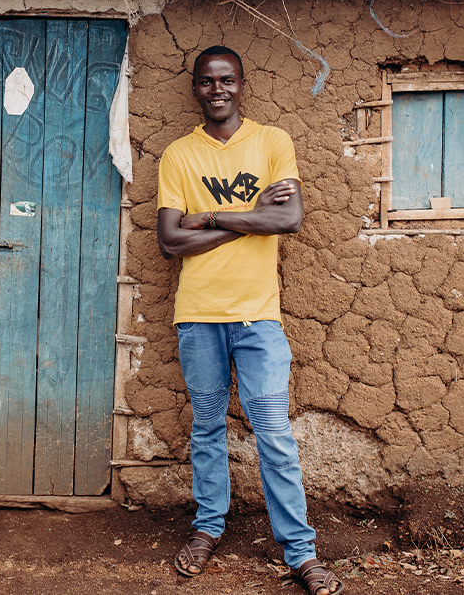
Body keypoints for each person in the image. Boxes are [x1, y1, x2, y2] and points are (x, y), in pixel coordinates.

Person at [156, 45, 344, 595]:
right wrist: (251, 218)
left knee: (274, 433)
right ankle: (207, 528)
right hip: (198, 317)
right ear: (196, 88)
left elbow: (289, 218)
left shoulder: (271, 142)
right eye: (207, 81)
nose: (218, 89)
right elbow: (170, 242)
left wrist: (211, 216)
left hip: (258, 317)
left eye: (227, 80)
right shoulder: (178, 154)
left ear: (242, 84)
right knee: (208, 428)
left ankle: (301, 553)